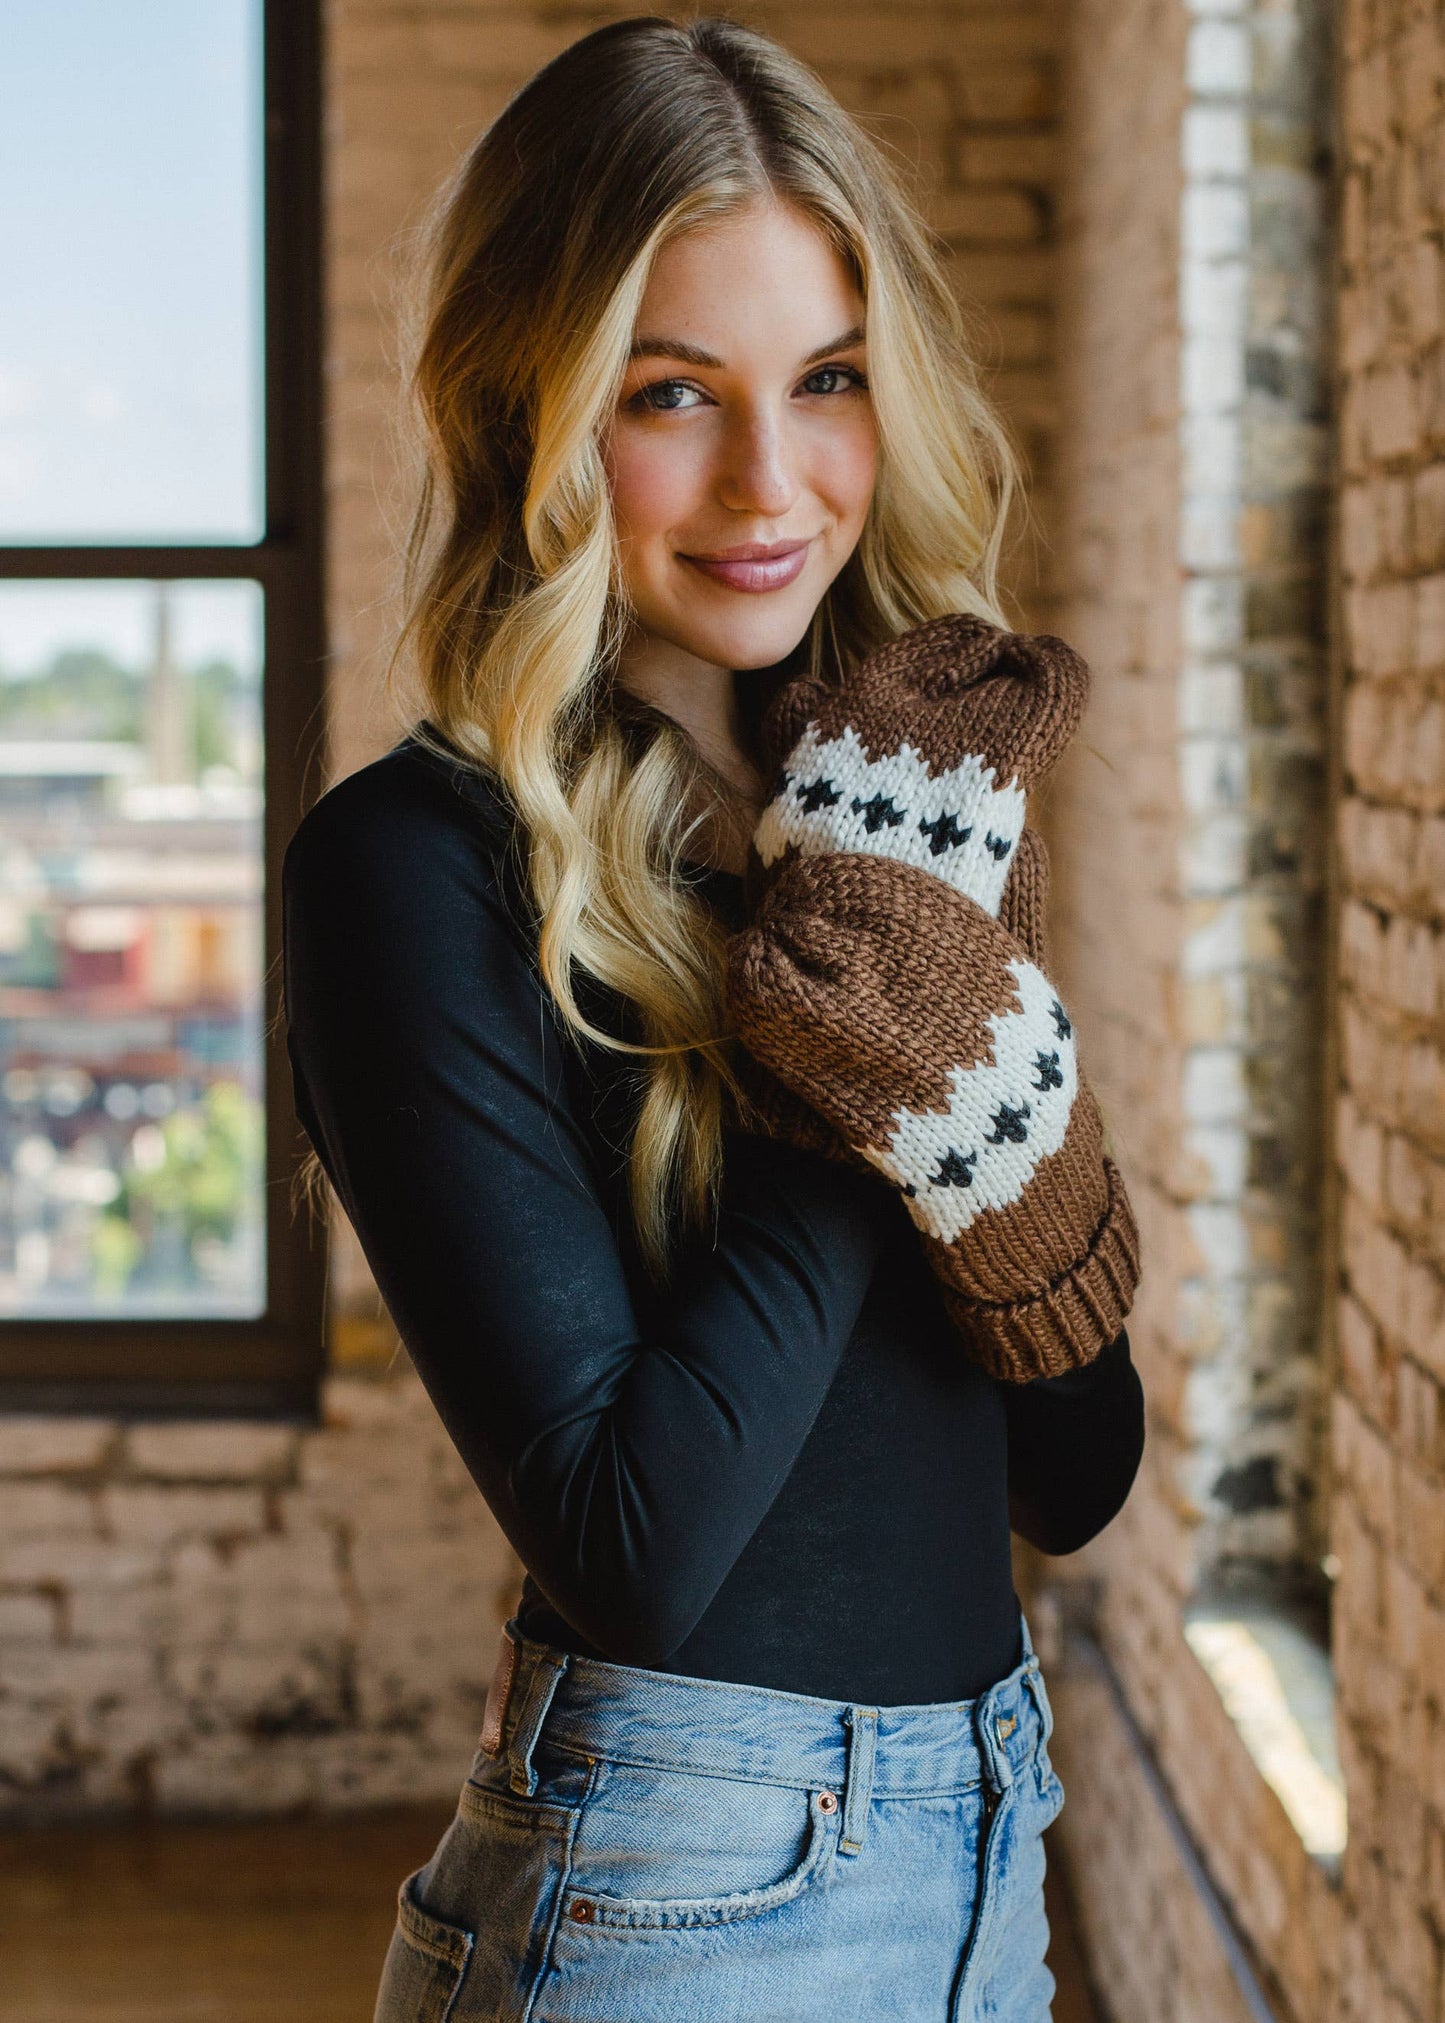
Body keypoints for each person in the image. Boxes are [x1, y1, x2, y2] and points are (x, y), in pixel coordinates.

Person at [281, 17, 1145, 2021]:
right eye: (676, 395)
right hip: (680, 1893)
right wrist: (857, 1024)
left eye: (827, 380)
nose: (774, 480)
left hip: (988, 1852)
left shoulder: (897, 811)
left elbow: (1078, 1466)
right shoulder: (410, 867)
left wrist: (909, 964)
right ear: (537, 412)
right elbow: (633, 1544)